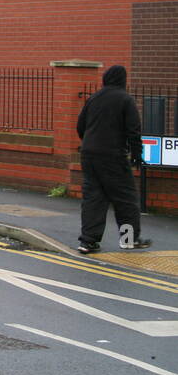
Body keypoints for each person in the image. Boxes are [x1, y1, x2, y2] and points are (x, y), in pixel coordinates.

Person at [76, 64, 150, 253]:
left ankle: (88, 241)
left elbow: (80, 125)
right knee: (125, 198)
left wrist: (90, 142)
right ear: (123, 80)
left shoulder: (94, 98)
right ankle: (128, 239)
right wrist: (137, 155)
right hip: (112, 156)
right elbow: (133, 131)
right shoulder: (125, 99)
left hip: (89, 154)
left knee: (94, 198)